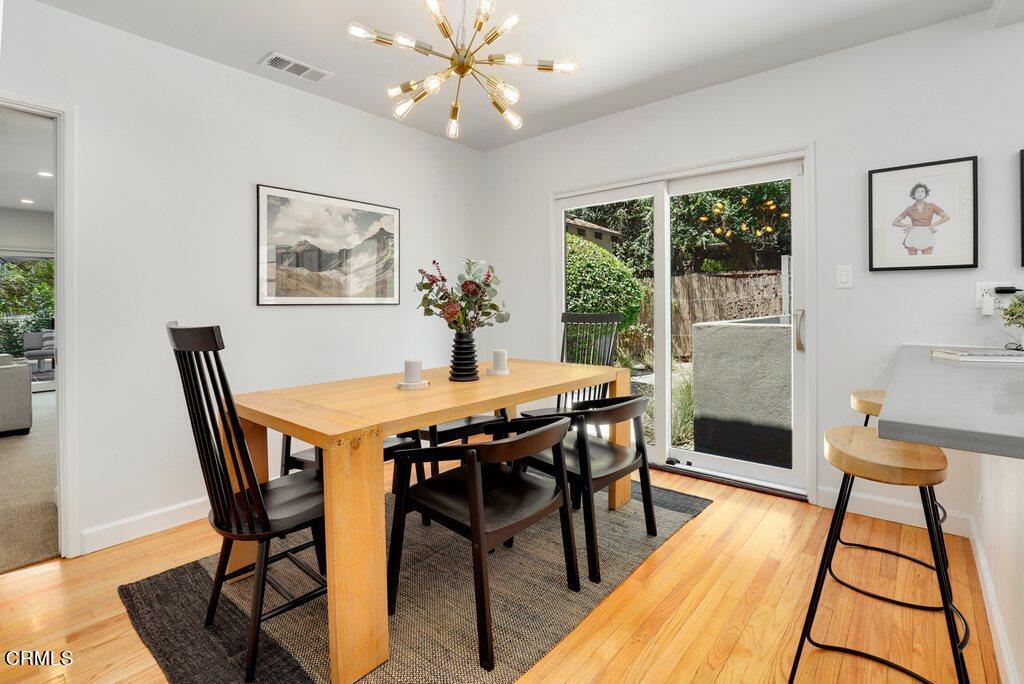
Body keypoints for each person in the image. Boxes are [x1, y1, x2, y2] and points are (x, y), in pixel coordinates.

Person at [891, 183, 950, 255]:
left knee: (927, 260)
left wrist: (932, 225)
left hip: (927, 234)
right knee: (912, 261)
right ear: (913, 195)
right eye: (917, 191)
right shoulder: (909, 209)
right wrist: (908, 225)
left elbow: (946, 217)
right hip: (913, 234)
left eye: (922, 191)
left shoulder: (932, 206)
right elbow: (894, 222)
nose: (920, 193)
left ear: (926, 194)